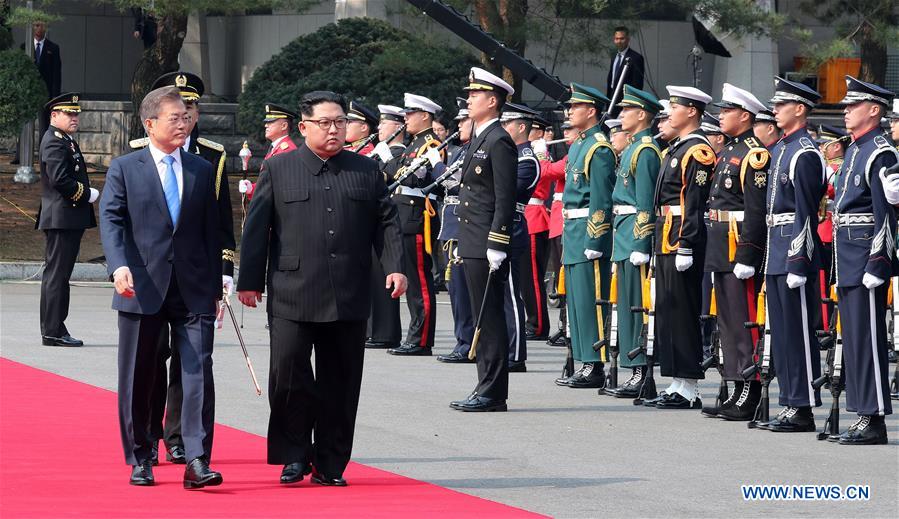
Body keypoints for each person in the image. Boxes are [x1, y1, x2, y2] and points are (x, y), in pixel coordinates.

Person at [237, 91, 407, 485]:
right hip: (292, 290)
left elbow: (387, 222)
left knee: (342, 382)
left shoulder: (365, 170)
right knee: (289, 377)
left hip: (348, 292)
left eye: (340, 122)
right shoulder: (279, 169)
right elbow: (256, 227)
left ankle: (330, 462)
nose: (334, 129)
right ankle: (293, 455)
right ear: (304, 127)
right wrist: (249, 281)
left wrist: (396, 267)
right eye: (325, 123)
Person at [100, 85, 223, 488]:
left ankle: (196, 458)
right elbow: (112, 221)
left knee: (196, 372)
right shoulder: (125, 168)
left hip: (192, 287)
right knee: (139, 372)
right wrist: (118, 266)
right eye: (175, 117)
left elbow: (212, 230)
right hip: (141, 284)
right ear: (150, 123)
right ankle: (141, 455)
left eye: (187, 117)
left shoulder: (202, 169)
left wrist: (219, 283)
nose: (184, 124)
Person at [132, 71, 234, 465]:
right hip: (153, 277)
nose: (185, 116)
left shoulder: (211, 156)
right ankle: (151, 434)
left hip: (194, 275)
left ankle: (179, 437)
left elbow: (220, 219)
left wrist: (223, 269)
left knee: (191, 362)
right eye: (178, 109)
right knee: (154, 358)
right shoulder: (139, 150)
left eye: (190, 108)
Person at [832, 76, 898, 444]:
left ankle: (873, 417)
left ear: (873, 110)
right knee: (854, 338)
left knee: (869, 339)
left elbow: (885, 213)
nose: (845, 111)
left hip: (866, 255)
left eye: (852, 105)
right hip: (848, 255)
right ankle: (861, 412)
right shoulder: (856, 149)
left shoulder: (879, 151)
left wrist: (879, 261)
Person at [700, 84, 770, 419]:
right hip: (720, 244)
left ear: (744, 116)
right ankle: (735, 384)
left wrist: (748, 254)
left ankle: (750, 387)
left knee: (744, 322)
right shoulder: (730, 150)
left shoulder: (754, 154)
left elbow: (756, 211)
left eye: (727, 111)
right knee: (727, 322)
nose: (721, 116)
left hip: (737, 245)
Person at [449, 67, 517, 412]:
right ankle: (484, 384)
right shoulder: (481, 138)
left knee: (489, 318)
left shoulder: (499, 140)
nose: (469, 99)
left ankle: (493, 392)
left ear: (493, 101)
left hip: (486, 241)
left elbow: (504, 197)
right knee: (481, 316)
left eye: (475, 95)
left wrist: (497, 242)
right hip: (472, 237)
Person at [760, 76, 826, 432]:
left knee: (798, 332)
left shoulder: (804, 152)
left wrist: (799, 260)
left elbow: (805, 211)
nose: (775, 109)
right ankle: (789, 400)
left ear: (799, 109)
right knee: (782, 332)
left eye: (781, 104)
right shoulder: (782, 148)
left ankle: (802, 405)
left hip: (792, 249)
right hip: (776, 246)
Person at [649, 86, 716, 409]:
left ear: (691, 111)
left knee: (684, 311)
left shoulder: (698, 151)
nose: (670, 113)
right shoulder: (676, 149)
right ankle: (676, 380)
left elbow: (694, 202)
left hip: (680, 238)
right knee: (668, 310)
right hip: (665, 235)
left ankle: (689, 384)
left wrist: (687, 243)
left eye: (675, 106)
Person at [554, 83, 616, 390]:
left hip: (588, 233)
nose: (570, 112)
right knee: (577, 301)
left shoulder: (598, 148)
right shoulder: (579, 144)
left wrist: (595, 239)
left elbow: (601, 199)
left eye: (575, 107)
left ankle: (595, 363)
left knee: (592, 300)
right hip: (572, 230)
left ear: (591, 111)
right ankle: (583, 359)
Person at [604, 85, 662, 398]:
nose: (621, 115)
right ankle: (633, 367)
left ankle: (641, 370)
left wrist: (641, 245)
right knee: (626, 306)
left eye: (626, 110)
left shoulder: (645, 150)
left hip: (634, 237)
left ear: (641, 115)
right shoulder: (631, 150)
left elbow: (645, 204)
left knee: (638, 307)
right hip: (623, 234)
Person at [385, 93, 444, 356]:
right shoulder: (413, 145)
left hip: (417, 215)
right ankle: (414, 335)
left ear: (425, 116)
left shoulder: (431, 143)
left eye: (410, 114)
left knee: (420, 281)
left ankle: (421, 339)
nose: (406, 118)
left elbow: (427, 182)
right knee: (410, 279)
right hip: (402, 215)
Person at [37, 93, 98, 347]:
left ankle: (56, 327)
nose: (74, 118)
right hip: (62, 216)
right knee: (57, 276)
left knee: (60, 276)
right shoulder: (54, 141)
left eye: (76, 114)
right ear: (54, 115)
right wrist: (87, 195)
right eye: (69, 114)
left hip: (67, 217)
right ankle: (52, 330)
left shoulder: (65, 140)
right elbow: (60, 179)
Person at [499, 102, 542, 372]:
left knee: (513, 295)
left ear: (521, 127)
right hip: (497, 226)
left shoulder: (526, 160)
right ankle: (503, 349)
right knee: (500, 294)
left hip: (513, 227)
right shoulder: (509, 155)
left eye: (508, 124)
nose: (503, 129)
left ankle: (516, 354)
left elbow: (507, 191)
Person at [436, 103, 477, 363]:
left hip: (464, 226)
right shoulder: (460, 151)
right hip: (451, 227)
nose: (459, 126)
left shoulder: (472, 151)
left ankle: (468, 343)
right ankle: (462, 340)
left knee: (464, 291)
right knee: (455, 291)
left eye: (464, 121)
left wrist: (435, 168)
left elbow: (455, 181)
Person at [365, 104, 407, 350]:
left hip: (396, 217)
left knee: (389, 277)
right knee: (375, 278)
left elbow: (395, 177)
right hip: (377, 218)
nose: (379, 127)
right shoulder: (383, 153)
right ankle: (374, 329)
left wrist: (386, 159)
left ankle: (386, 332)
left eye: (385, 123)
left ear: (398, 127)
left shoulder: (401, 152)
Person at [14, 20, 62, 165]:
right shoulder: (25, 47)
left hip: (44, 95)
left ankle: (43, 156)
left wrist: (55, 97)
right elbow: (20, 72)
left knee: (44, 127)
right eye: (36, 25)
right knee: (24, 127)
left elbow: (56, 74)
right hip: (27, 94)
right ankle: (20, 156)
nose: (39, 28)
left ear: (46, 27)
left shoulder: (53, 48)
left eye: (41, 25)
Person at [239, 103, 299, 200]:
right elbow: (269, 183)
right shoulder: (276, 148)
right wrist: (251, 188)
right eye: (266, 122)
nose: (266, 125)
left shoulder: (287, 151)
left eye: (271, 122)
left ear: (284, 126)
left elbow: (279, 187)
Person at [606, 26, 645, 113]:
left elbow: (637, 85)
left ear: (628, 39)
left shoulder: (636, 58)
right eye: (616, 39)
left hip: (625, 103)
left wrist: (631, 105)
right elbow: (611, 80)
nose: (619, 41)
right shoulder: (614, 56)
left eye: (622, 39)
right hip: (611, 101)